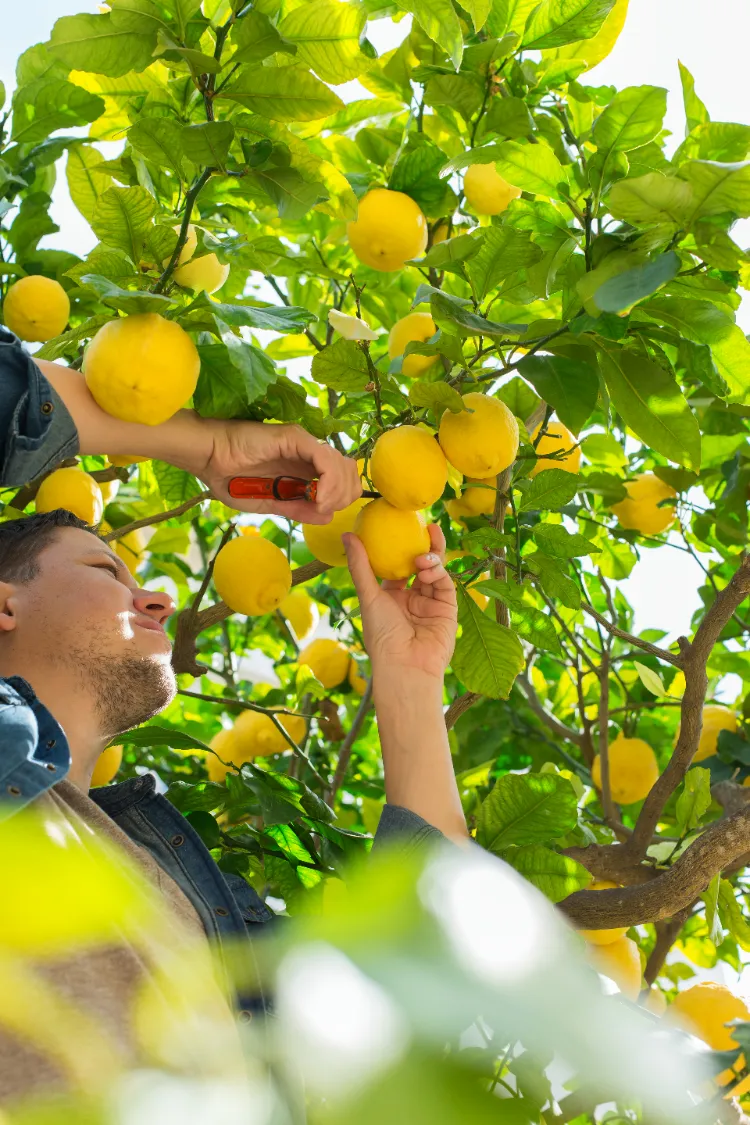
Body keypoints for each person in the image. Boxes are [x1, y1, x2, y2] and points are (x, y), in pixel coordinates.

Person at [0, 328, 469, 1104]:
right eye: (104, 569)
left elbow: (424, 995)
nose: (155, 596)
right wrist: (203, 444)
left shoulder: (191, 893)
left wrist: (412, 683)